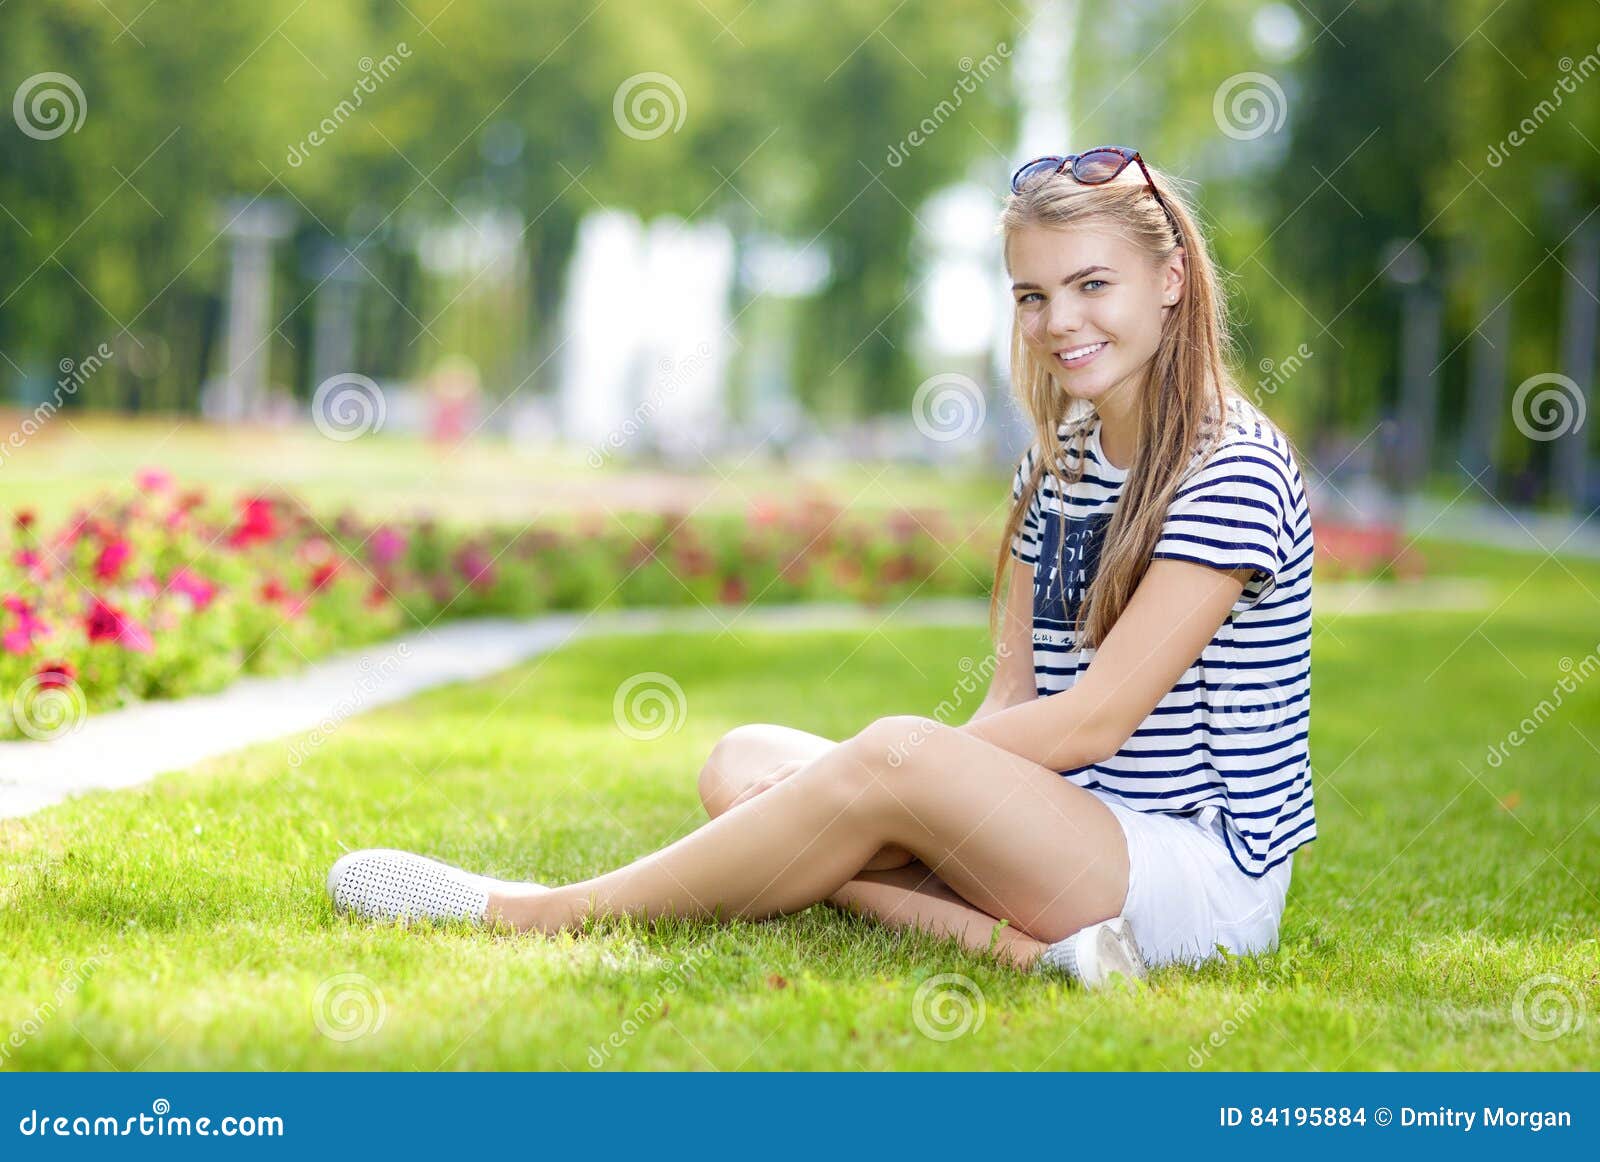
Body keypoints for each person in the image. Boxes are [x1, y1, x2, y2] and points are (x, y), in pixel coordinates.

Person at [327, 146, 1316, 990]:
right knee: (746, 763)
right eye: (1032, 294)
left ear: (1171, 278)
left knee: (873, 765)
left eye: (1091, 285)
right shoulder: (1056, 461)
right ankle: (1046, 956)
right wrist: (899, 795)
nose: (1060, 321)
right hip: (1065, 834)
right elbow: (1013, 691)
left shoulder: (1228, 464)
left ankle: (544, 912)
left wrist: (893, 780)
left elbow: (1095, 719)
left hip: (1190, 871)